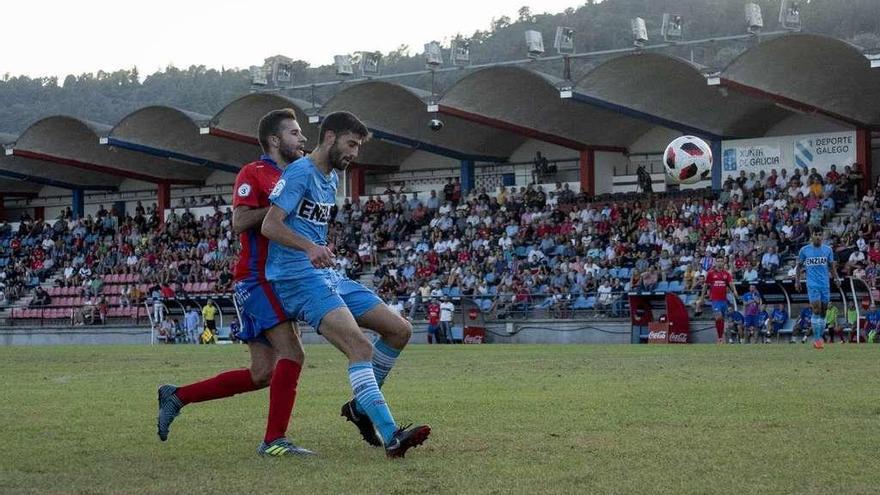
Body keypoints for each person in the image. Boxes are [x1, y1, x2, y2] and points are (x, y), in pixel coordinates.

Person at [261, 111, 430, 458]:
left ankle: (360, 407)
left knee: (399, 330)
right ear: (330, 137)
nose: (354, 153)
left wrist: (318, 246)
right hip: (295, 279)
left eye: (357, 146)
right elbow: (270, 225)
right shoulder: (300, 173)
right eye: (351, 144)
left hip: (325, 275)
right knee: (360, 348)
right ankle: (391, 436)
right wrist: (309, 248)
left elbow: (309, 227)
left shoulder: (330, 180)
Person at [156, 108, 313, 457]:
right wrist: (281, 207)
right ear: (275, 140)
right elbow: (240, 221)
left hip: (281, 277)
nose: (303, 139)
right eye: (295, 133)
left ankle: (177, 395)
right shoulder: (254, 172)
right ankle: (274, 441)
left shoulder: (297, 175)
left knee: (261, 374)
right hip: (257, 279)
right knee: (293, 353)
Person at [795, 232, 841, 350]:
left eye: (820, 234)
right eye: (816, 234)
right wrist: (797, 281)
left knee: (823, 312)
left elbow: (831, 266)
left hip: (825, 284)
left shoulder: (828, 250)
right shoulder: (804, 250)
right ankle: (817, 340)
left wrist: (836, 278)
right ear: (811, 236)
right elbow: (799, 266)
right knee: (816, 309)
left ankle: (819, 337)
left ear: (823, 236)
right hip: (812, 284)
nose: (818, 237)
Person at [702, 257, 739, 344]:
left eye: (721, 261)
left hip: (724, 300)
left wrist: (735, 290)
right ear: (715, 263)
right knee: (718, 317)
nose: (720, 262)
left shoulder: (727, 274)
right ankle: (719, 338)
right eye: (718, 261)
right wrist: (702, 297)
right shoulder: (710, 274)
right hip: (715, 300)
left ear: (723, 263)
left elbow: (731, 283)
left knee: (721, 319)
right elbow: (705, 285)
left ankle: (720, 337)